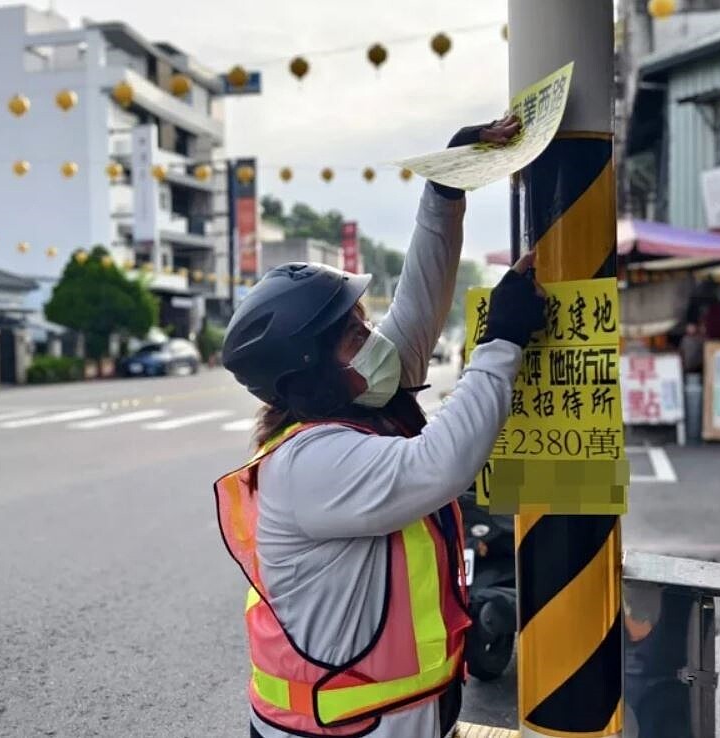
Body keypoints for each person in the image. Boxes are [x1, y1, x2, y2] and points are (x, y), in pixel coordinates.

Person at [216, 116, 547, 738]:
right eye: (354, 333)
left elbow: (420, 305)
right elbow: (440, 463)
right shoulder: (306, 465)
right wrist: (500, 341)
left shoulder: (359, 399)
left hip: (386, 719)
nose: (374, 339)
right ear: (312, 368)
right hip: (338, 731)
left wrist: (448, 186)